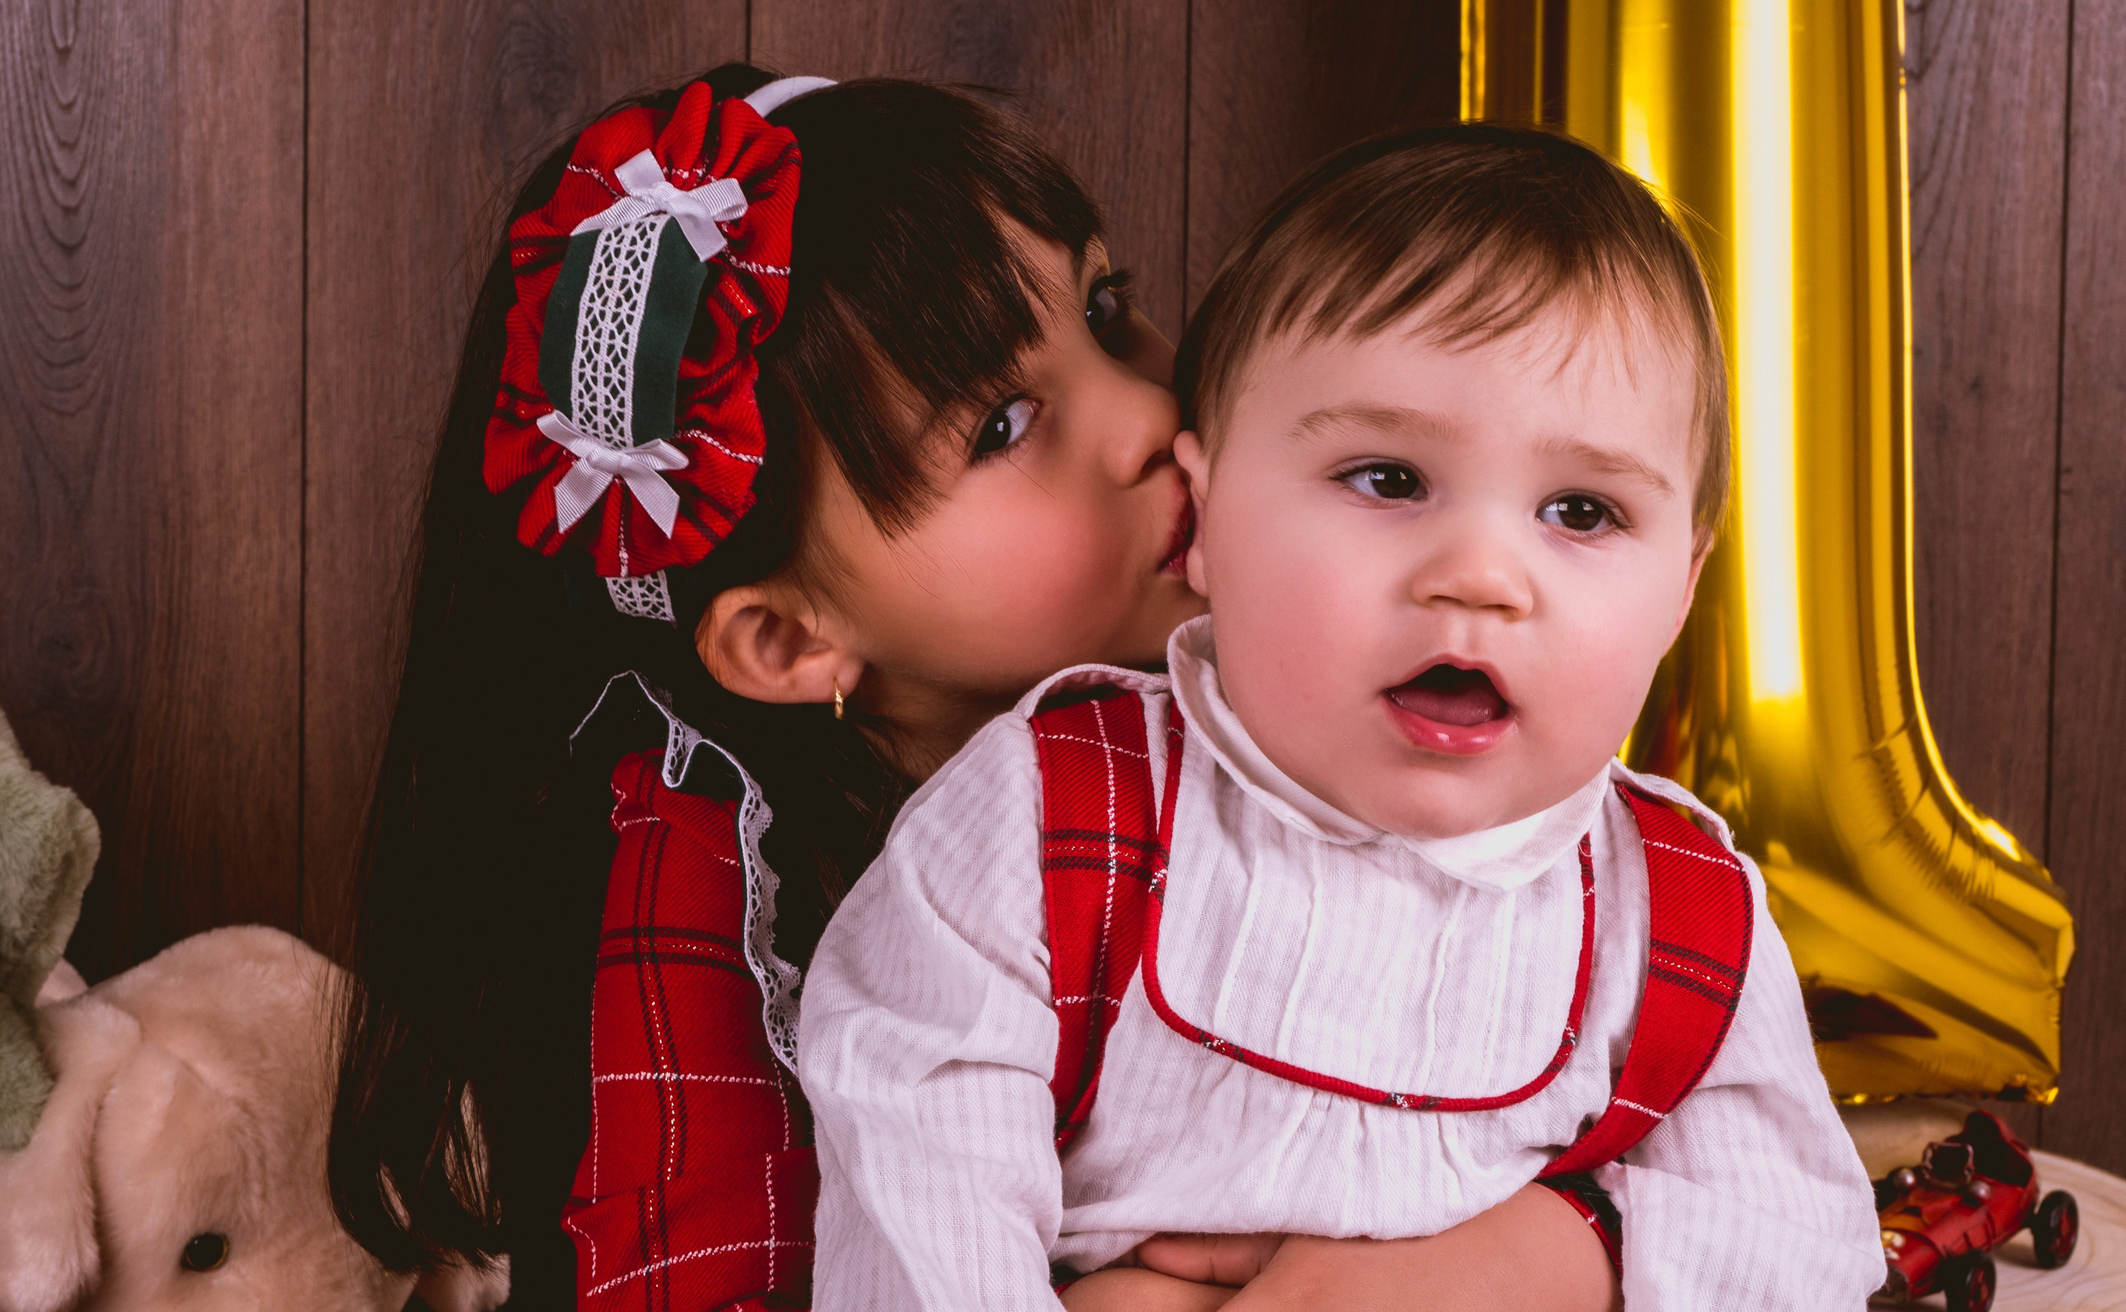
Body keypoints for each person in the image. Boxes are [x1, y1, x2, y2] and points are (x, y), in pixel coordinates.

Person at [327, 75, 1622, 1312]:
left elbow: (1653, 1046)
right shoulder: (710, 881)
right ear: (784, 637)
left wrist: (1546, 1245)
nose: (1144, 414)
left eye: (1110, 308)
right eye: (1002, 423)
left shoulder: (1313, 688)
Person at [797, 125, 1888, 1311]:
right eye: (1386, 478)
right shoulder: (1043, 820)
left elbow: (1793, 1244)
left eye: (1580, 509)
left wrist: (1530, 1269)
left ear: (1683, 586)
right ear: (1203, 517)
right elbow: (922, 1189)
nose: (1480, 574)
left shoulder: (1677, 915)